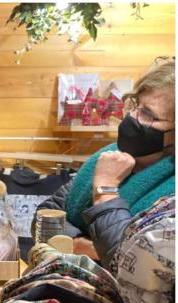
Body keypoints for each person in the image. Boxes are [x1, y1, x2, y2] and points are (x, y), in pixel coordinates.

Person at [35, 57, 175, 264]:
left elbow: (134, 263)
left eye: (147, 114)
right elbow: (45, 217)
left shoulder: (170, 192)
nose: (132, 116)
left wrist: (105, 188)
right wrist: (82, 245)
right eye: (135, 104)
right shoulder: (109, 155)